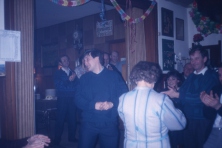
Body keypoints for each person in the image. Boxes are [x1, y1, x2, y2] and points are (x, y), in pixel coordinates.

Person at [118, 61, 186, 148]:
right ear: (153, 76)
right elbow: (180, 124)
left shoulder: (123, 98)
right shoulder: (161, 99)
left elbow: (125, 120)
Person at [163, 46, 220, 148]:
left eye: (197, 58)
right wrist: (171, 96)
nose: (193, 62)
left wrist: (177, 94)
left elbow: (202, 98)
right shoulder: (191, 77)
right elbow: (182, 98)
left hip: (201, 121)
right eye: (191, 59)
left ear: (205, 59)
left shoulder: (211, 76)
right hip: (187, 119)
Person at [75, 49, 128, 148]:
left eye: (87, 59)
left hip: (110, 124)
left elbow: (125, 95)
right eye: (84, 60)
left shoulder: (114, 76)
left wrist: (112, 104)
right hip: (88, 124)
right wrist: (93, 105)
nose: (85, 62)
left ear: (97, 58)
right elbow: (77, 99)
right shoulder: (83, 79)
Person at [53, 55, 78, 147]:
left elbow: (77, 86)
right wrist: (69, 80)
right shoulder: (57, 73)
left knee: (72, 119)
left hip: (72, 99)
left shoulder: (73, 72)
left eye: (67, 59)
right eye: (64, 60)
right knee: (60, 119)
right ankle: (57, 139)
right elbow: (59, 87)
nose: (66, 61)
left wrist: (71, 82)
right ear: (60, 63)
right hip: (62, 99)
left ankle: (71, 137)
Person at [200, 66, 222, 148]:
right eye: (220, 75)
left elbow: (218, 107)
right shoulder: (216, 89)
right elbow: (208, 115)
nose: (221, 78)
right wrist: (207, 105)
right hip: (214, 130)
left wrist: (218, 106)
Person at [163, 70, 184, 148]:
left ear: (178, 80)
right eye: (168, 79)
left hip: (179, 122)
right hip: (167, 123)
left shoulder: (182, 92)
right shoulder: (163, 92)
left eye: (173, 79)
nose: (170, 81)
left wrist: (176, 97)